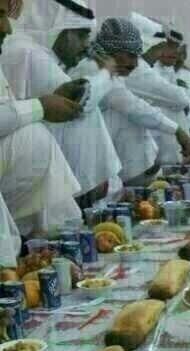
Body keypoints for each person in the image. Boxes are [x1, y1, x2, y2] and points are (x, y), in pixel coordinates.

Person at [0, 0, 122, 206]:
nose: (86, 45)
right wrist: (107, 74)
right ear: (60, 29)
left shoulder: (33, 51)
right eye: (81, 35)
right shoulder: (31, 54)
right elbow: (78, 102)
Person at [70, 18, 190, 184]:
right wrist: (177, 130)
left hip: (97, 158)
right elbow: (132, 106)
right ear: (114, 50)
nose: (135, 64)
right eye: (131, 55)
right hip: (82, 160)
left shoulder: (107, 68)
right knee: (131, 116)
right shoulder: (93, 68)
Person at [0, 0, 81, 246]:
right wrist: (40, 107)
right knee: (33, 136)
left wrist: (45, 104)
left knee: (36, 136)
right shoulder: (28, 51)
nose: (7, 28)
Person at [126, 12, 190, 165]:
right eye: (159, 48)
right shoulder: (138, 70)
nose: (160, 53)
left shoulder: (144, 68)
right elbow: (180, 99)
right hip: (142, 147)